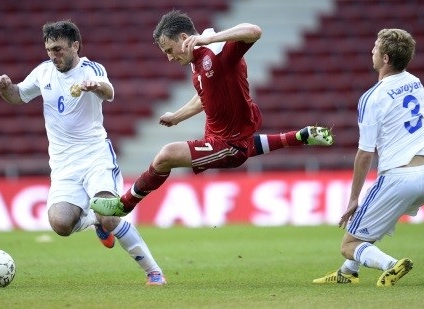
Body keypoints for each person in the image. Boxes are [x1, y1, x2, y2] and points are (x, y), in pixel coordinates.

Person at [90, 10, 333, 218]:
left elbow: (254, 31)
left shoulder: (218, 53)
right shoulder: (197, 61)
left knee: (166, 156)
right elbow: (204, 96)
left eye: (169, 49)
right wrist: (177, 116)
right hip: (228, 137)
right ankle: (299, 137)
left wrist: (213, 37)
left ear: (185, 38)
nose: (169, 57)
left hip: (227, 143)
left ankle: (124, 204)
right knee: (242, 144)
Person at [0, 20, 166, 286]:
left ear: (75, 45)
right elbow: (18, 96)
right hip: (63, 165)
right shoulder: (43, 72)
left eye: (59, 49)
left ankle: (154, 272)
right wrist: (6, 88)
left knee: (109, 216)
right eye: (50, 49)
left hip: (95, 156)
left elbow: (109, 92)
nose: (54, 55)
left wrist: (95, 86)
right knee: (60, 224)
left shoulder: (91, 69)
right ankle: (93, 220)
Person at [313, 28, 424, 286]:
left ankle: (391, 265)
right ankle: (347, 273)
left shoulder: (373, 97)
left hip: (399, 177)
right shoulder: (416, 83)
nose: (371, 51)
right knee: (371, 226)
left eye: (375, 48)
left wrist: (354, 198)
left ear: (385, 59)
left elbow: (365, 152)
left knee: (349, 243)